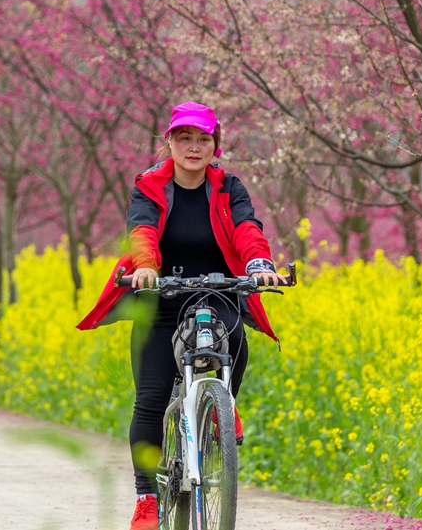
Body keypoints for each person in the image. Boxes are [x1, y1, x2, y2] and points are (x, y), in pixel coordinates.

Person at [74, 102, 287, 530]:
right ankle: (146, 498)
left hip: (217, 289)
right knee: (151, 399)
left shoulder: (229, 186)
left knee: (237, 348)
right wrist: (146, 266)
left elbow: (247, 227)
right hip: (162, 294)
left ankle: (219, 405)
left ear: (215, 145)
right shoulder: (151, 185)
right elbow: (143, 228)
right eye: (184, 137)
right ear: (169, 141)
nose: (193, 146)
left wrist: (259, 264)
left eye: (203, 138)